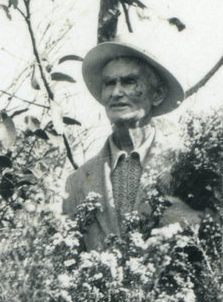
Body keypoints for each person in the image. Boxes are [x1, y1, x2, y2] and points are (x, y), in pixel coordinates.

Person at [63, 41, 203, 250]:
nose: (116, 92)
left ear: (157, 95)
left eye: (129, 81)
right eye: (109, 83)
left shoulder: (187, 167)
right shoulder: (77, 182)